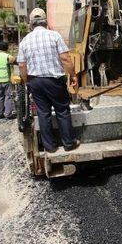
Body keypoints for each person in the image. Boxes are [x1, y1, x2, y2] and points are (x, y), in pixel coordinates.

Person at [18, 8, 79, 153]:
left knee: (43, 113)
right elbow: (65, 58)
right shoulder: (54, 36)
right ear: (46, 22)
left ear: (31, 24)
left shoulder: (25, 40)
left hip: (36, 82)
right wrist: (73, 75)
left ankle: (50, 147)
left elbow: (21, 65)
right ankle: (68, 144)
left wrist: (27, 82)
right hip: (54, 81)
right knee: (62, 111)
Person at [0, 42, 17, 119]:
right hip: (6, 79)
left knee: (0, 97)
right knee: (8, 96)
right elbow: (15, 62)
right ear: (6, 48)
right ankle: (8, 113)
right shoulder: (7, 56)